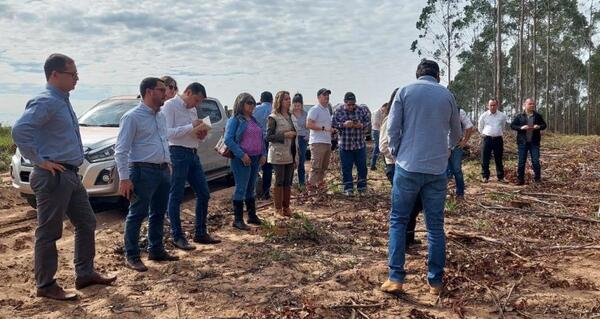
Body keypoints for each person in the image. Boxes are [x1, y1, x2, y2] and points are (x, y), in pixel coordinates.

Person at [12, 53, 116, 300]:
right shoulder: (46, 100)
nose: (77, 79)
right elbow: (20, 130)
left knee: (87, 222)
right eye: (73, 74)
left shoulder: (62, 100)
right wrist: (40, 161)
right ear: (55, 75)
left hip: (70, 175)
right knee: (49, 232)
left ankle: (85, 273)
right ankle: (46, 285)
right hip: (53, 176)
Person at [381, 59, 461, 295]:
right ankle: (435, 281)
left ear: (418, 74)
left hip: (407, 166)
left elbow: (393, 128)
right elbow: (456, 133)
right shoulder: (447, 95)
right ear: (437, 75)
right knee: (435, 227)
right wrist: (446, 149)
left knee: (398, 220)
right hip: (436, 169)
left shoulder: (405, 91)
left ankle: (396, 277)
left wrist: (396, 152)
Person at [115, 77, 179, 272]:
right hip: (142, 171)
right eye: (162, 90)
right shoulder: (132, 117)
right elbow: (121, 150)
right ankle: (132, 255)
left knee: (159, 212)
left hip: (162, 170)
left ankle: (156, 249)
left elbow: (163, 140)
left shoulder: (160, 116)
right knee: (137, 214)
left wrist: (167, 162)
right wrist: (124, 178)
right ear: (150, 92)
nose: (166, 94)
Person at [162, 82, 221, 251]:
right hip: (177, 153)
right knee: (176, 195)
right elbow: (167, 133)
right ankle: (177, 236)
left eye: (199, 102)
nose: (197, 104)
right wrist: (191, 127)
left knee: (204, 193)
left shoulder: (193, 110)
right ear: (187, 92)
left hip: (193, 153)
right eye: (196, 100)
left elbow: (193, 136)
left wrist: (201, 134)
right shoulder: (170, 106)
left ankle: (200, 233)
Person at [379, 89, 422, 249]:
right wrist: (401, 158)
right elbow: (383, 146)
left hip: (408, 167)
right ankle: (402, 242)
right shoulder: (389, 119)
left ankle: (409, 238)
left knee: (415, 203)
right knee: (406, 205)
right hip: (395, 166)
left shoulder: (407, 120)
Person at [224, 93, 267, 230]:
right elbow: (228, 139)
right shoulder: (235, 120)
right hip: (242, 159)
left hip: (255, 157)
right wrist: (242, 155)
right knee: (241, 187)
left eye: (253, 103)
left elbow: (261, 138)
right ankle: (237, 219)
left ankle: (252, 215)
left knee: (251, 187)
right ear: (241, 104)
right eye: (249, 103)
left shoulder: (254, 120)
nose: (252, 106)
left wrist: (263, 153)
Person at [331, 92, 371, 196]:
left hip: (359, 144)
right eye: (349, 104)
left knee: (362, 167)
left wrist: (361, 125)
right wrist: (343, 124)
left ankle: (362, 188)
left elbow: (368, 123)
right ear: (344, 102)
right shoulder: (338, 111)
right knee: (346, 168)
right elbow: (333, 125)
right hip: (345, 145)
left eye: (353, 104)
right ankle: (348, 189)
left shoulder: (362, 110)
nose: (351, 106)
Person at [266, 91, 297, 216]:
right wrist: (284, 135)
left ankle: (286, 207)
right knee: (279, 180)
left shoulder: (290, 116)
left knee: (288, 181)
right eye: (286, 99)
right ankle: (278, 208)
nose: (289, 101)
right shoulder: (273, 117)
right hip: (278, 154)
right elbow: (268, 136)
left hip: (289, 153)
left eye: (289, 99)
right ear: (279, 101)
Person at [510, 98, 547, 185]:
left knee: (535, 161)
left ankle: (537, 179)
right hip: (522, 142)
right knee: (522, 161)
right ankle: (520, 180)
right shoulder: (519, 116)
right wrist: (521, 128)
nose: (532, 105)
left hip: (534, 143)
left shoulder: (537, 116)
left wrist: (539, 127)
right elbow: (512, 125)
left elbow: (544, 125)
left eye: (533, 104)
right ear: (525, 105)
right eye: (530, 104)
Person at [306, 88, 335, 191]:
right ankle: (312, 191)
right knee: (316, 168)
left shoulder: (327, 110)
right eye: (324, 95)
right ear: (318, 97)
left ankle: (319, 190)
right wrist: (324, 128)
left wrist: (331, 130)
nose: (327, 97)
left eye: (328, 95)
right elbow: (309, 124)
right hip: (317, 142)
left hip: (327, 142)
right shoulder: (315, 109)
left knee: (323, 168)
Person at [447, 107, 475, 200]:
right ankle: (442, 193)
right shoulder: (439, 110)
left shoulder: (459, 112)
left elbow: (469, 126)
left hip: (456, 145)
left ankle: (460, 193)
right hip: (442, 146)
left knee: (456, 169)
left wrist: (465, 141)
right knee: (444, 171)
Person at [478, 99, 507, 183]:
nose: (492, 107)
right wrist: (484, 134)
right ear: (488, 106)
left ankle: (500, 176)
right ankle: (485, 176)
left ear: (497, 106)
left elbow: (503, 126)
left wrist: (497, 132)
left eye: (494, 105)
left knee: (499, 158)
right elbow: (480, 127)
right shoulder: (483, 115)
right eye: (491, 105)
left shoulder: (502, 115)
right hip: (486, 139)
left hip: (498, 139)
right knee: (485, 158)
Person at [253, 91, 274, 200]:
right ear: (272, 100)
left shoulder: (256, 109)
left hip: (257, 140)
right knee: (268, 168)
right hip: (270, 141)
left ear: (261, 99)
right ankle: (266, 192)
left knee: (255, 166)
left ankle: (255, 191)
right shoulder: (274, 110)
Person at [291, 93, 309, 190]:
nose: (297, 107)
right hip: (292, 138)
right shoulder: (289, 114)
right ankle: (289, 184)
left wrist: (307, 135)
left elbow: (308, 127)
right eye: (295, 105)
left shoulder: (305, 114)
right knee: (291, 159)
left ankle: (301, 183)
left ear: (301, 105)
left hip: (302, 138)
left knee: (301, 161)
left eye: (299, 105)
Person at [370, 103, 386, 170]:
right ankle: (372, 165)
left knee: (381, 147)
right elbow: (377, 123)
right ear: (383, 107)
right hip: (376, 131)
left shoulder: (382, 113)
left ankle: (374, 165)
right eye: (386, 108)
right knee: (378, 147)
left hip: (379, 131)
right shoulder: (377, 112)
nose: (386, 110)